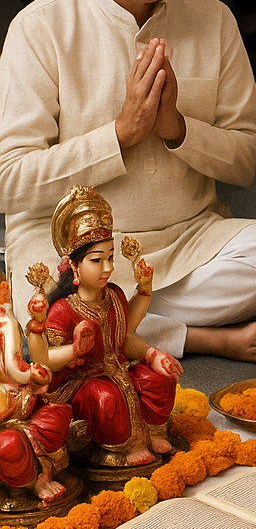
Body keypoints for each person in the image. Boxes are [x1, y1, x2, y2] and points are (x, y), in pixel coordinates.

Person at [0, 0, 256, 365]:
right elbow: (10, 181)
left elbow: (249, 159)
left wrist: (178, 130)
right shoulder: (40, 27)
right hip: (71, 254)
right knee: (46, 288)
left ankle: (112, 325)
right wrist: (120, 135)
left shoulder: (214, 18)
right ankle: (193, 336)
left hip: (186, 238)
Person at [29, 186, 182, 467]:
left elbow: (125, 335)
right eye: (97, 260)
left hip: (118, 369)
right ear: (73, 266)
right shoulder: (62, 310)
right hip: (81, 383)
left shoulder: (114, 295)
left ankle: (152, 430)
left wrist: (153, 355)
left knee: (158, 378)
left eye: (111, 257)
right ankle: (118, 446)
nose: (108, 268)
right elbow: (44, 361)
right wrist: (75, 350)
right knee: (105, 396)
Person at [0, 280, 73, 505]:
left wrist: (36, 376)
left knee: (57, 415)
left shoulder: (6, 324)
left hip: (18, 398)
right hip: (12, 408)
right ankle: (34, 482)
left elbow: (20, 367)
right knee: (9, 445)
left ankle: (40, 477)